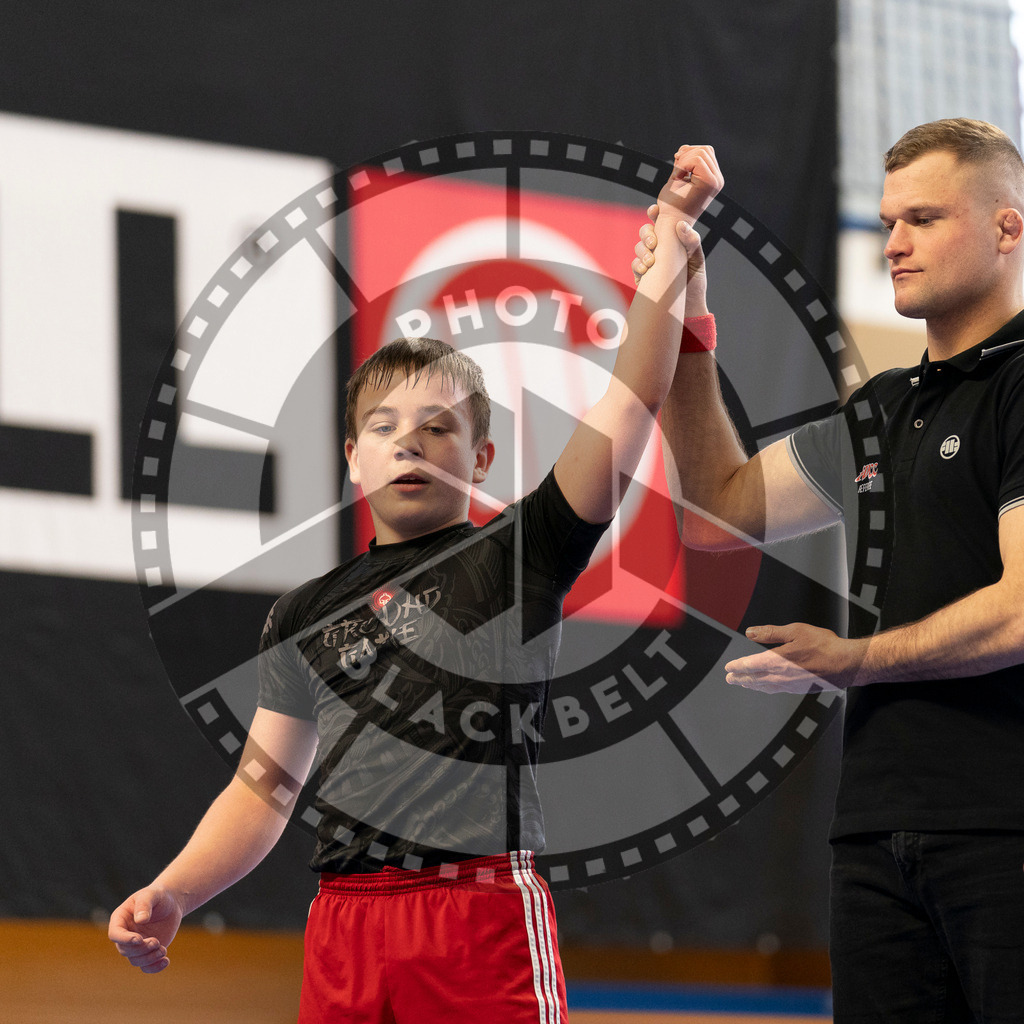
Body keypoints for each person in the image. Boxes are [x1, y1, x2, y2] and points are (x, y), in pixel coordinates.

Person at [109, 145, 724, 1022]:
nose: (409, 443)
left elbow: (630, 400)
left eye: (439, 429)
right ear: (351, 455)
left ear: (482, 457)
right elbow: (262, 791)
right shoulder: (302, 615)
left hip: (479, 919)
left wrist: (671, 232)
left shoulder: (525, 550)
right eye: (384, 426)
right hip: (344, 930)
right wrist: (174, 891)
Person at [636, 117, 1024, 1021]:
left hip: (1007, 827)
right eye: (889, 220)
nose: (893, 243)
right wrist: (691, 314)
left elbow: (1020, 612)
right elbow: (718, 509)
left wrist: (857, 658)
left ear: (1009, 228)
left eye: (923, 218)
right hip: (875, 836)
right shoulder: (882, 409)